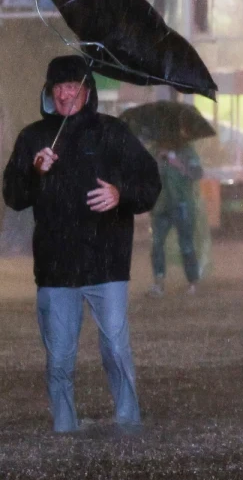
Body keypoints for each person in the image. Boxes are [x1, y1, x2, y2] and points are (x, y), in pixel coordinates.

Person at [2, 56, 161, 433]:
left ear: (87, 91)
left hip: (106, 264)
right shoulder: (33, 138)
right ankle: (64, 429)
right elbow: (13, 195)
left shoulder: (113, 133)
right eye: (58, 88)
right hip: (56, 269)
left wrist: (121, 194)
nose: (65, 94)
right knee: (59, 358)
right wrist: (34, 172)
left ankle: (127, 422)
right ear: (48, 93)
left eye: (73, 86)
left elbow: (150, 183)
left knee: (116, 350)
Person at [148, 145, 204, 296]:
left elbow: (197, 173)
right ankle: (158, 283)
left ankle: (193, 282)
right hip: (161, 205)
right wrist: (157, 163)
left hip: (182, 204)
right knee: (157, 244)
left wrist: (177, 163)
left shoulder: (187, 150)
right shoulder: (155, 151)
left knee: (186, 245)